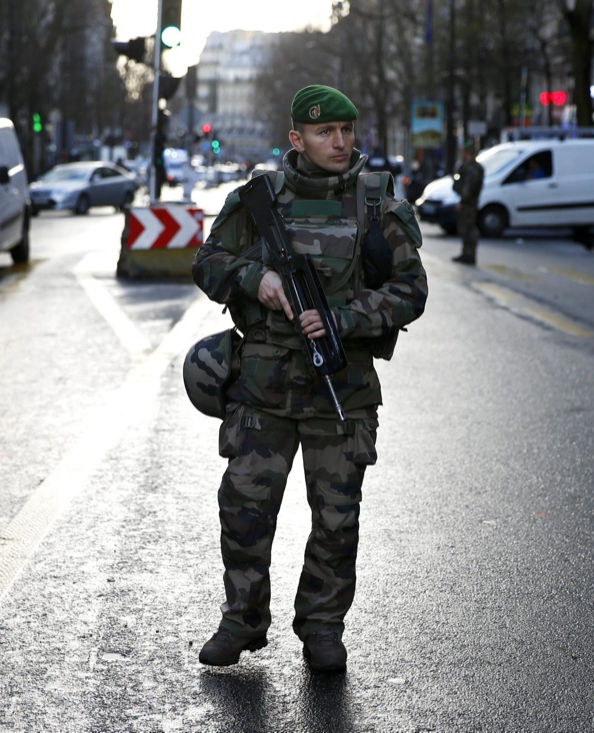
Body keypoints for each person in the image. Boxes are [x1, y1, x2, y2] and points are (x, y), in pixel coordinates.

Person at [190, 84, 428, 673]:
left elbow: (411, 291)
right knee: (244, 510)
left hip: (340, 389)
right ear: (297, 139)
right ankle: (242, 621)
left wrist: (345, 317)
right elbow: (207, 262)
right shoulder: (258, 200)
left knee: (337, 519)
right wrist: (255, 280)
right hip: (263, 390)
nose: (340, 142)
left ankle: (322, 629)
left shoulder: (376, 203)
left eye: (347, 131)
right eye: (325, 133)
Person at [452, 140, 484, 265]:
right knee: (466, 227)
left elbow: (469, 187)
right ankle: (467, 253)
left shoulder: (472, 168)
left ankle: (469, 254)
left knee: (468, 228)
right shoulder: (472, 167)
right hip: (471, 202)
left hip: (469, 203)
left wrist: (462, 201)